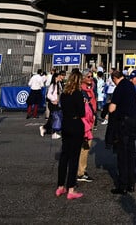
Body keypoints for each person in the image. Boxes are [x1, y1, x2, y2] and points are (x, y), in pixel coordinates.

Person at [107, 70, 136, 194]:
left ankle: (123, 185)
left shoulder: (119, 88)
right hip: (133, 122)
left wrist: (109, 107)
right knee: (131, 153)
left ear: (115, 78)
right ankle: (131, 183)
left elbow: (112, 108)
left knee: (122, 154)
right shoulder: (130, 85)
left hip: (123, 124)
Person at [55, 70, 86, 201]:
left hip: (66, 124)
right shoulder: (78, 94)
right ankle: (71, 188)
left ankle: (60, 186)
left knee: (64, 157)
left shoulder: (64, 94)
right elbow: (82, 112)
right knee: (74, 158)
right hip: (75, 124)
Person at [75, 70, 98, 184]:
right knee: (85, 145)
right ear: (83, 78)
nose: (91, 78)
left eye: (91, 76)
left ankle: (81, 169)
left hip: (91, 119)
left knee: (85, 145)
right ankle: (80, 172)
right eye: (88, 77)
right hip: (84, 121)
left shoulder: (92, 88)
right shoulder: (81, 90)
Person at [40, 71, 64, 139]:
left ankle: (44, 128)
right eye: (59, 76)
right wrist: (54, 100)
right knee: (55, 117)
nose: (61, 77)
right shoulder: (53, 85)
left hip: (57, 103)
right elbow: (49, 95)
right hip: (53, 103)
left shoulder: (59, 84)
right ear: (56, 77)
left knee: (52, 118)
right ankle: (53, 133)